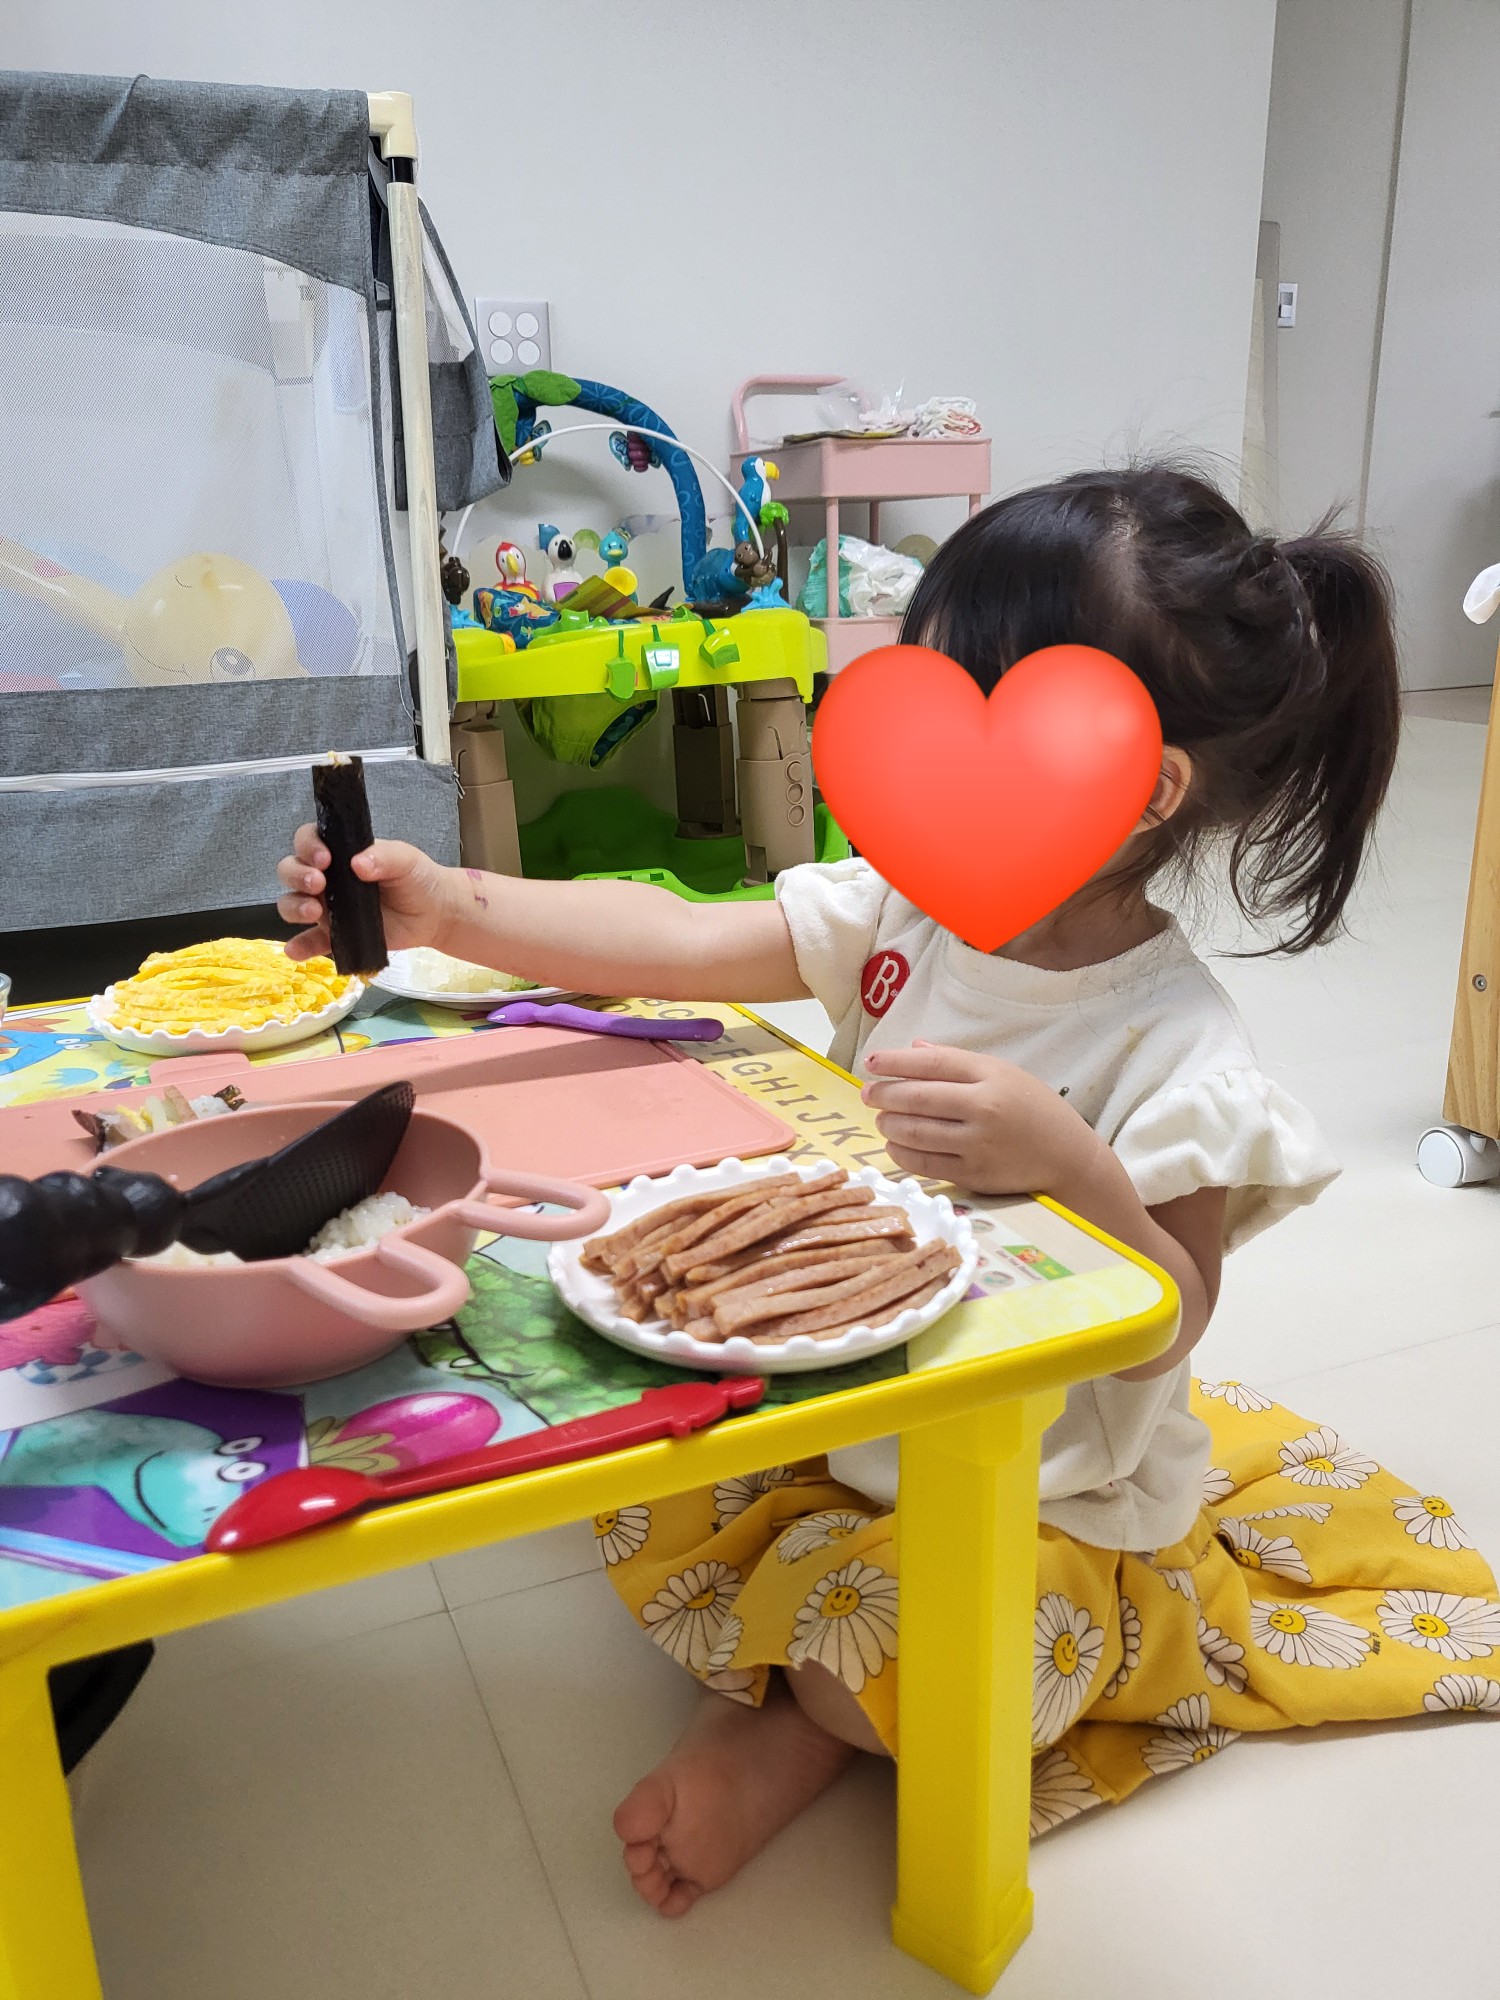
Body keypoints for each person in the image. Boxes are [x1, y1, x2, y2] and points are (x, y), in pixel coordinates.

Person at [278, 465, 1499, 1917]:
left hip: (1034, 1497)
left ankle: (797, 1731)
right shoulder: (904, 910)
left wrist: (1071, 1164)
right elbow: (675, 939)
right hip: (845, 1408)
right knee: (606, 1439)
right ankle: (805, 1670)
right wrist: (455, 907)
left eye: (969, 725)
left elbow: (1171, 1320)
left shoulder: (1177, 1052)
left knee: (945, 1660)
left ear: (1143, 785)